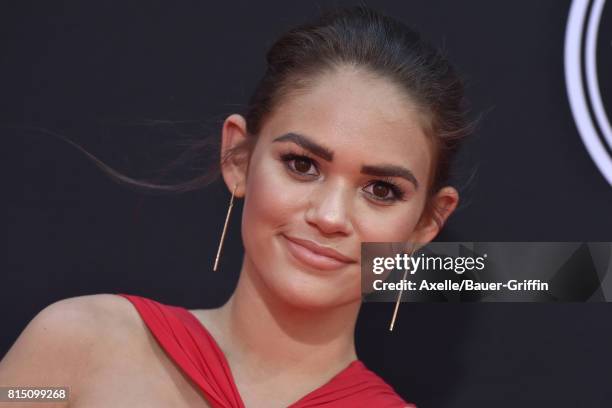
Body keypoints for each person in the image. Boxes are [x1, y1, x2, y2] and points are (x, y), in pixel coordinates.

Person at [0, 6, 471, 407]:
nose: (329, 217)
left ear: (426, 223)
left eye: (381, 190)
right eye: (302, 164)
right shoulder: (74, 351)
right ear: (238, 158)